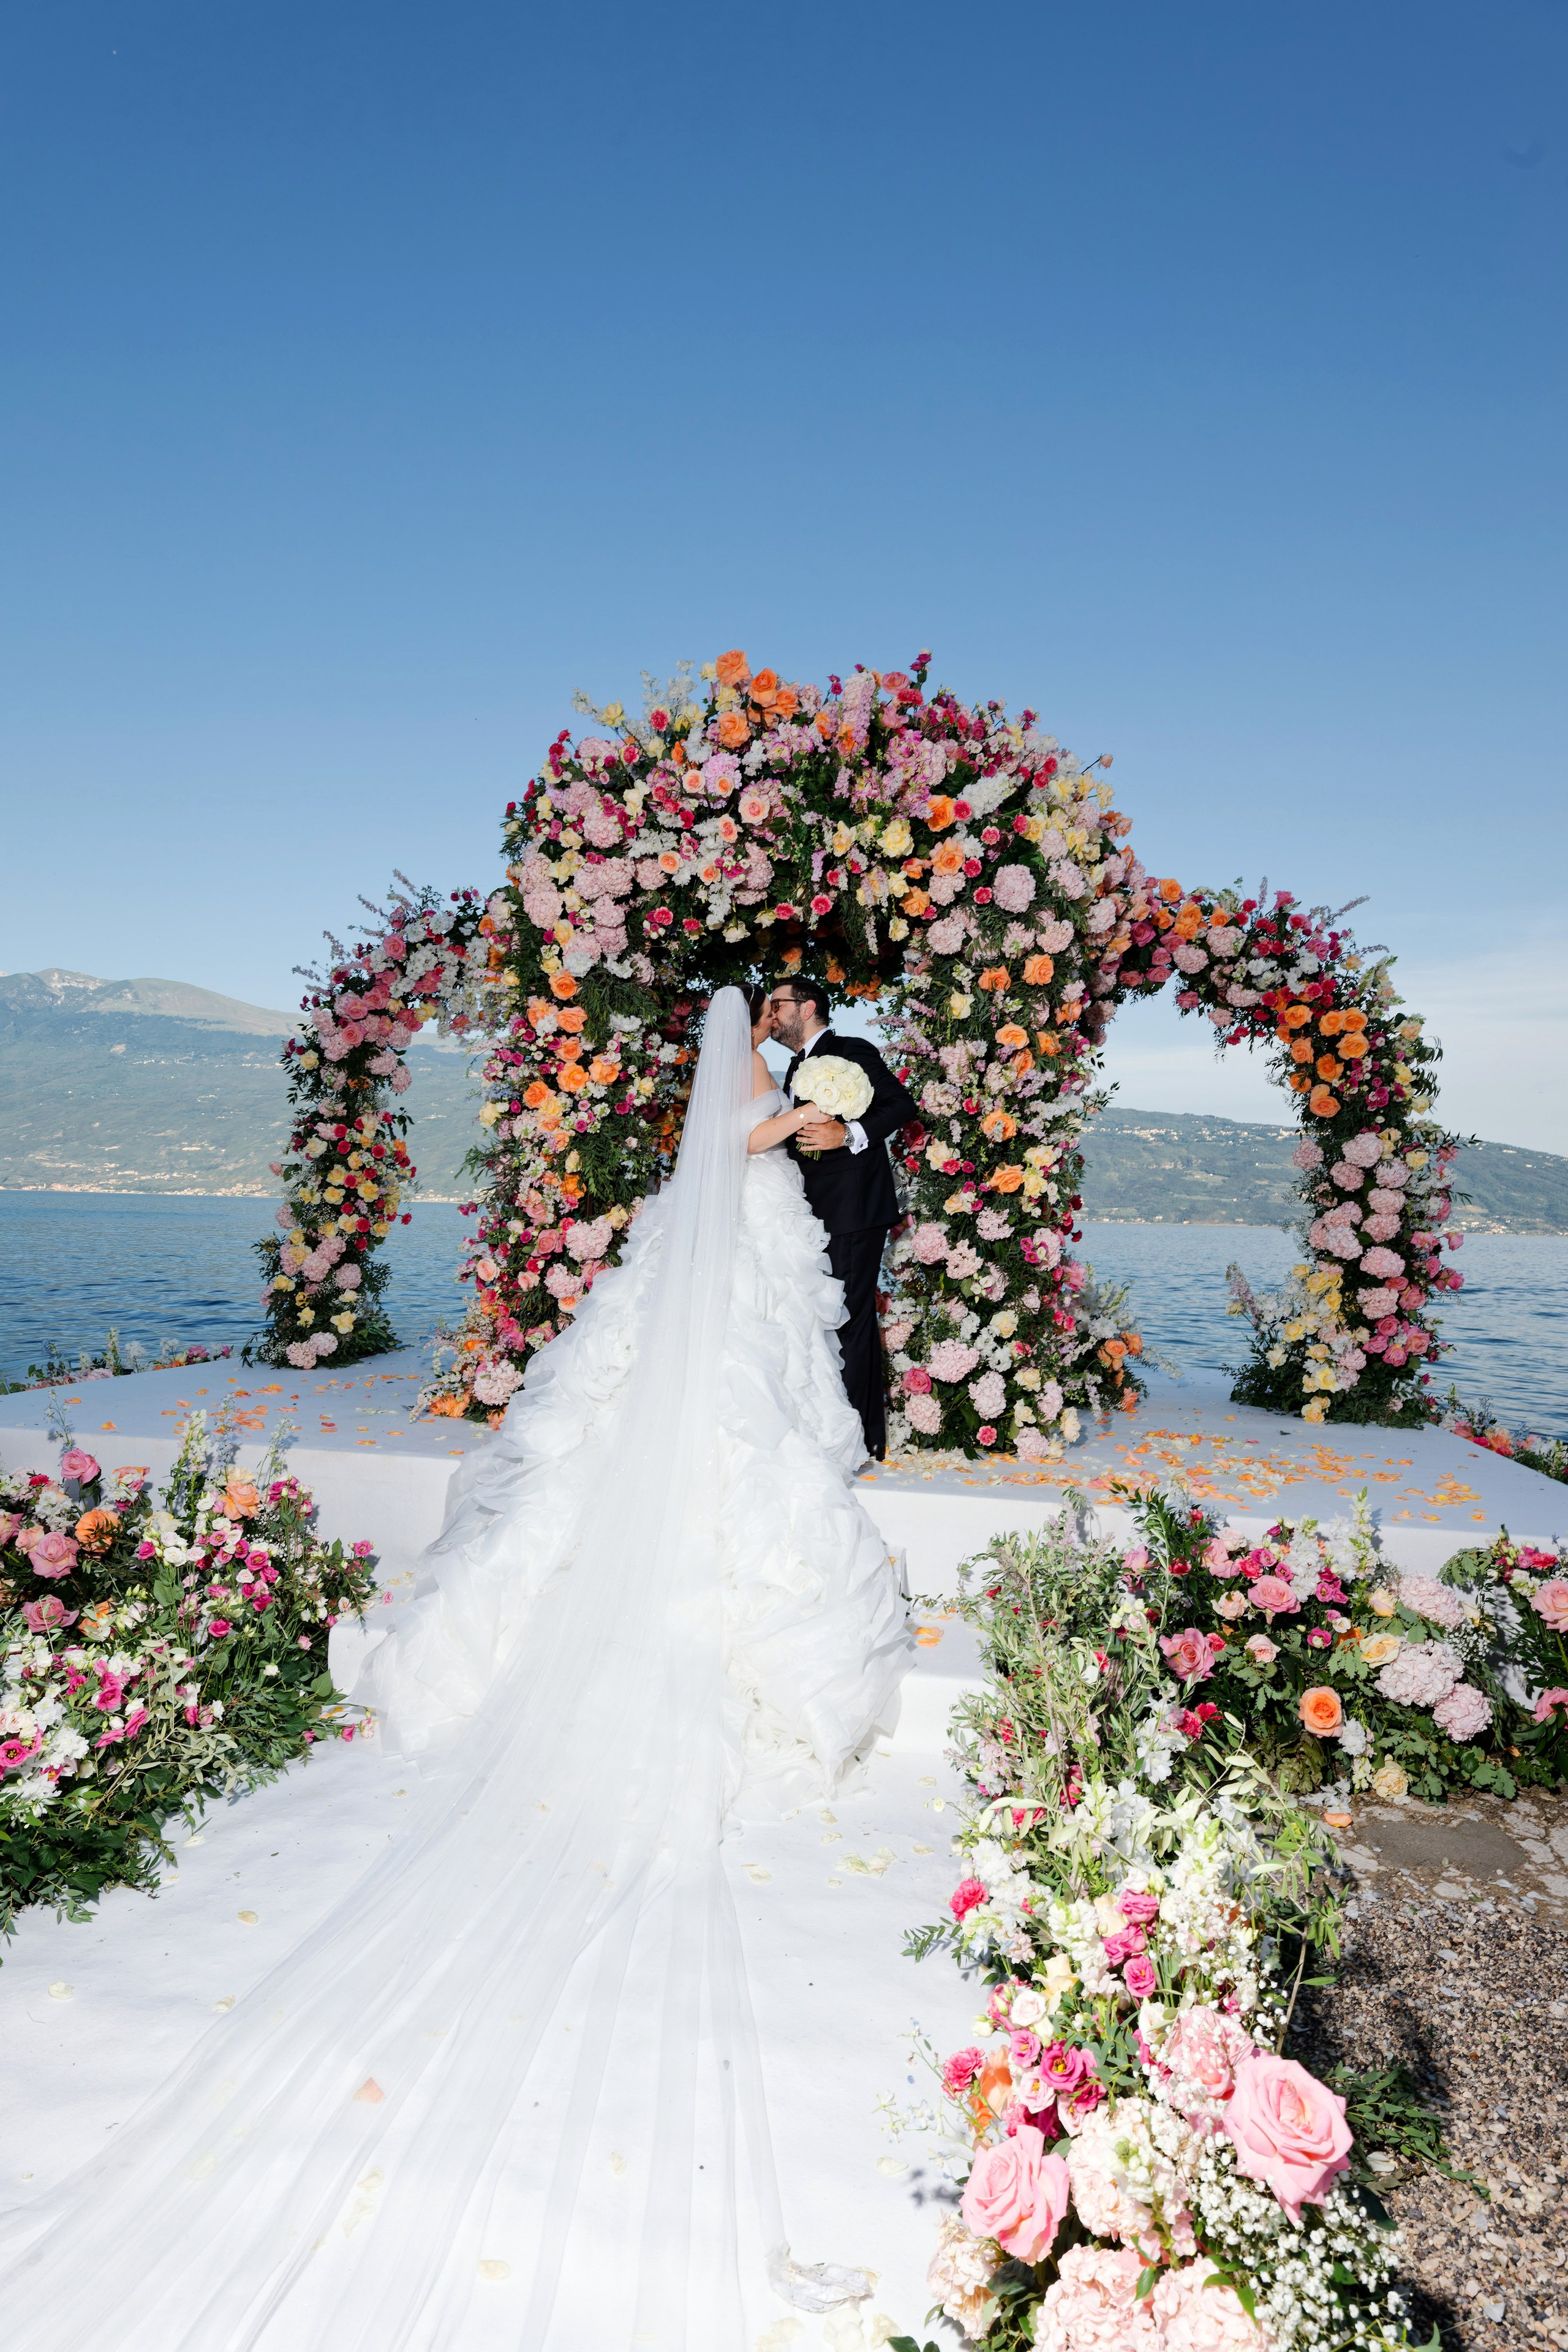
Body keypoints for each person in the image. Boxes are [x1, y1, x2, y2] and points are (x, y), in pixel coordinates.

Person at [0, 988, 913, 2351]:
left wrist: (817, 1111)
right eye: (778, 1011)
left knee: (730, 1407)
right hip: (735, 1252)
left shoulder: (759, 1066)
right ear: (754, 1017)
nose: (785, 1021)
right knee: (727, 1416)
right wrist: (807, 1115)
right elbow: (737, 1144)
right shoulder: (746, 1081)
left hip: (743, 1260)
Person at [768, 979, 919, 1462]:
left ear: (807, 1007)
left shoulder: (851, 1049)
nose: (772, 1014)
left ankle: (862, 1440)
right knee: (828, 1317)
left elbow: (900, 1104)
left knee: (850, 1317)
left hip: (854, 1208)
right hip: (813, 1211)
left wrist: (849, 1133)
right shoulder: (791, 1066)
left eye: (779, 1004)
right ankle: (839, 1430)